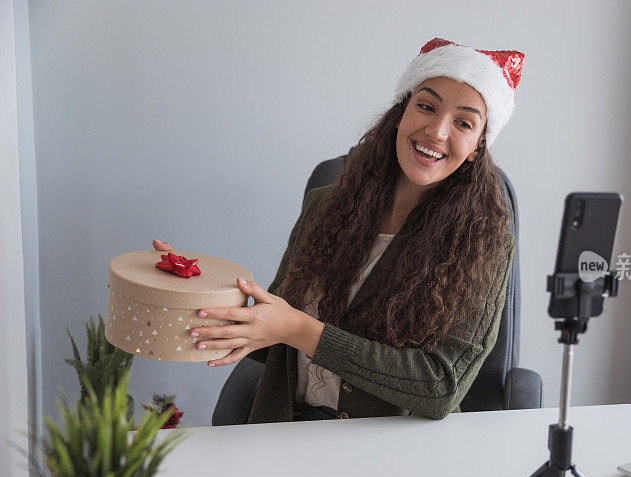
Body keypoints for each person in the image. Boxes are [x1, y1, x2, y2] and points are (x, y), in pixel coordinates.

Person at [154, 37, 525, 422]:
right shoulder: (325, 207)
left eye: (463, 122)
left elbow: (442, 388)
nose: (437, 131)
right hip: (280, 429)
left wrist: (301, 330)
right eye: (426, 107)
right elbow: (274, 341)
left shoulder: (484, 245)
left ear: (478, 146)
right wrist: (192, 283)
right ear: (401, 112)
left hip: (387, 453)